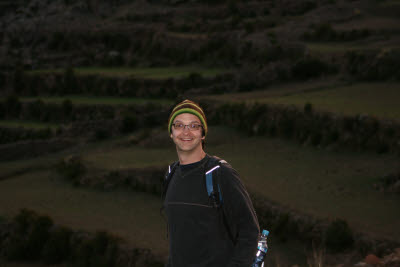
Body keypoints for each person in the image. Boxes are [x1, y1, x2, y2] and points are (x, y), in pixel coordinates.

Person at [163, 99, 260, 267]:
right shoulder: (171, 174)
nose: (186, 132)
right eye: (179, 125)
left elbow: (250, 232)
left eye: (194, 126)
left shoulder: (220, 174)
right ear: (171, 133)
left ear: (203, 134)